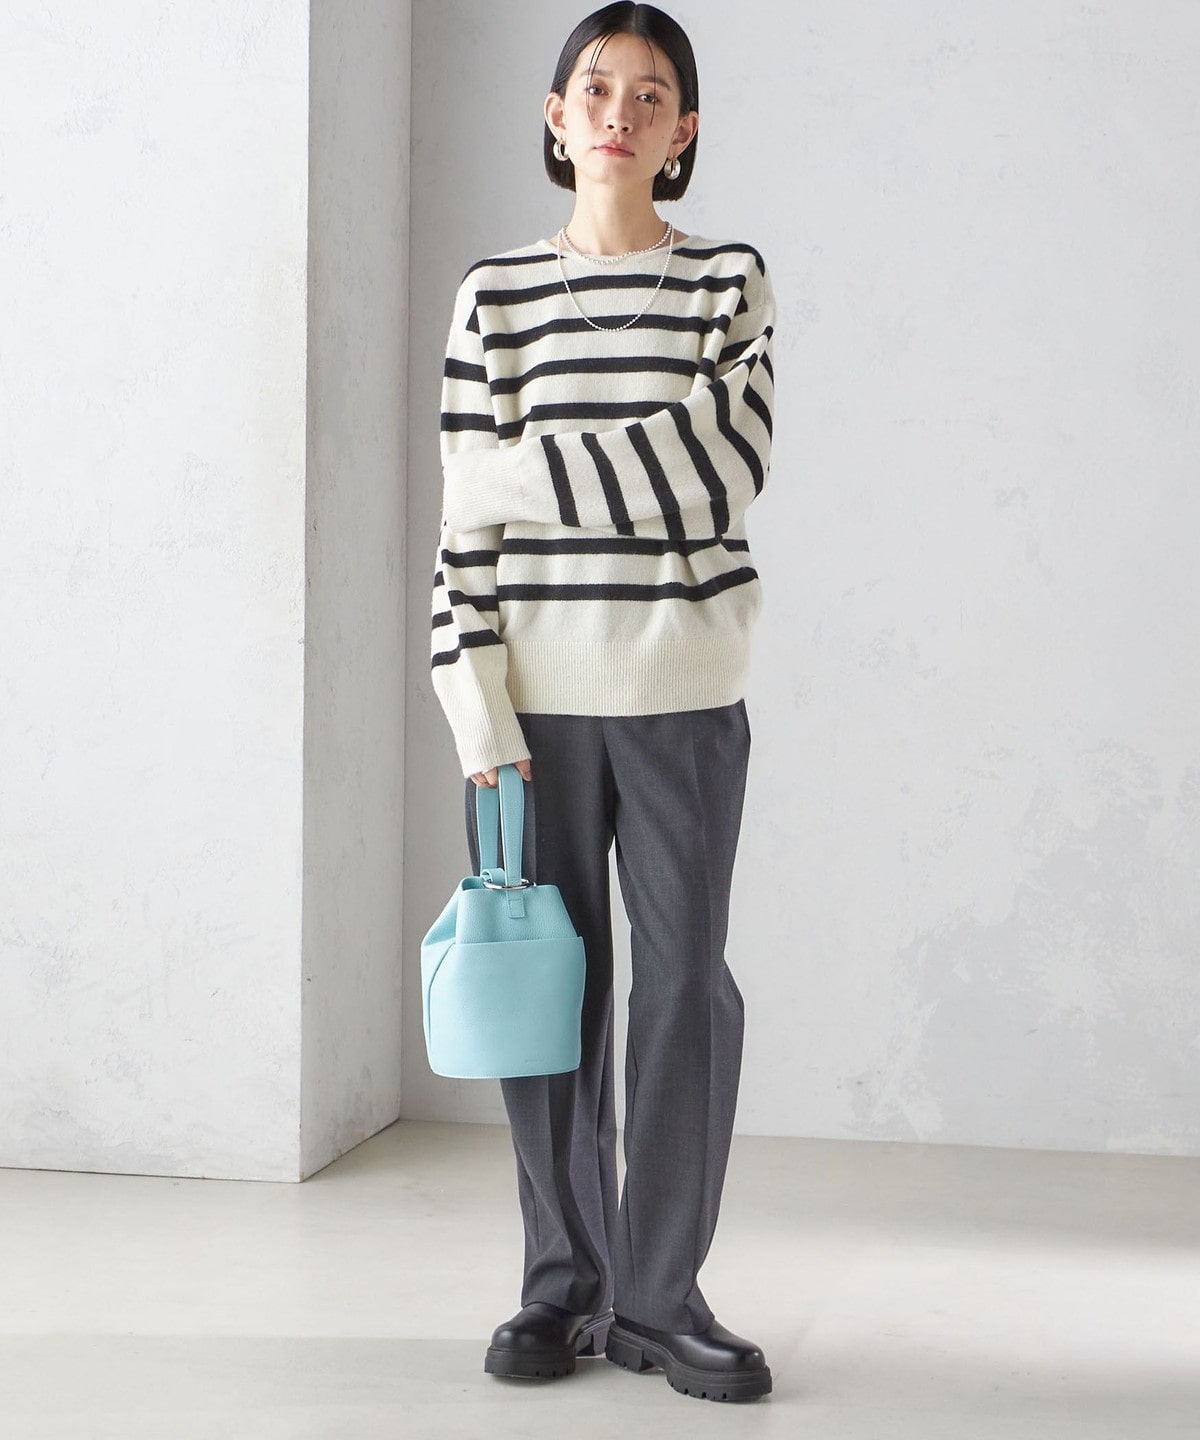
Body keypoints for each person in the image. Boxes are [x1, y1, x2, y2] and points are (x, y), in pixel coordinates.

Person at [429, 1, 776, 1405]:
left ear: (684, 130)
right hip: (531, 703)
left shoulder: (726, 282)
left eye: (650, 93)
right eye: (595, 86)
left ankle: (661, 1297)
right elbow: (461, 536)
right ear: (556, 116)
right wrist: (476, 709)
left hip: (684, 692)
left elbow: (722, 467)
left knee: (687, 989)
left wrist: (518, 472)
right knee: (548, 993)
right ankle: (559, 1285)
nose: (620, 111)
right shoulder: (495, 297)